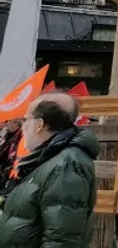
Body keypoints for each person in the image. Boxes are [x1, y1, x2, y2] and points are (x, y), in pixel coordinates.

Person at [0, 93, 99, 247]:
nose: (22, 126)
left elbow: (62, 239)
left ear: (39, 125)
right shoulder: (47, 159)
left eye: (26, 120)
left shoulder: (66, 166)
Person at [0, 118, 23, 187]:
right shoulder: (4, 134)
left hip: (10, 174)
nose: (9, 123)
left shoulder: (20, 136)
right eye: (10, 121)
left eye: (16, 122)